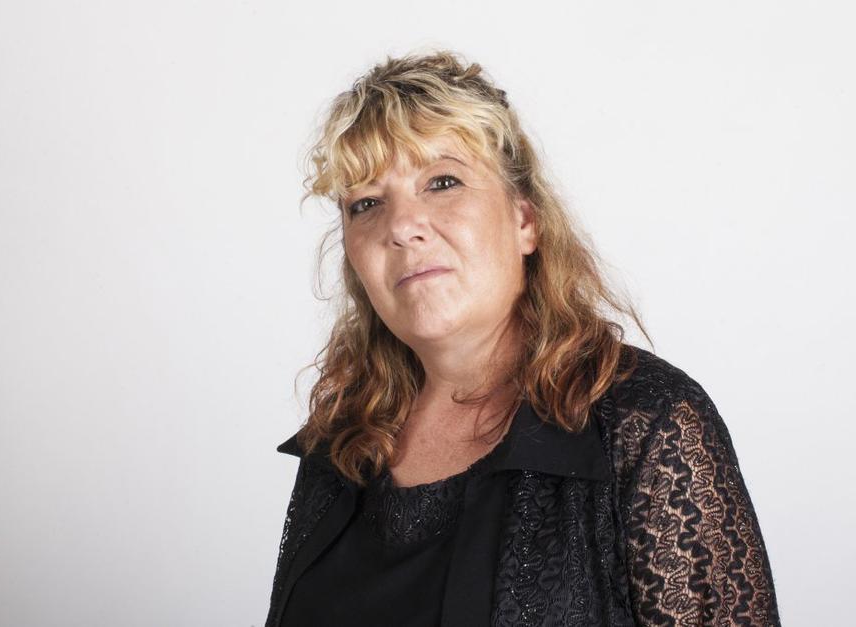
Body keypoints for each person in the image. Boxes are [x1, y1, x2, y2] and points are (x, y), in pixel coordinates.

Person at [265, 49, 781, 627]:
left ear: (525, 221)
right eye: (366, 204)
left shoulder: (647, 422)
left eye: (442, 181)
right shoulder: (343, 440)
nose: (402, 226)